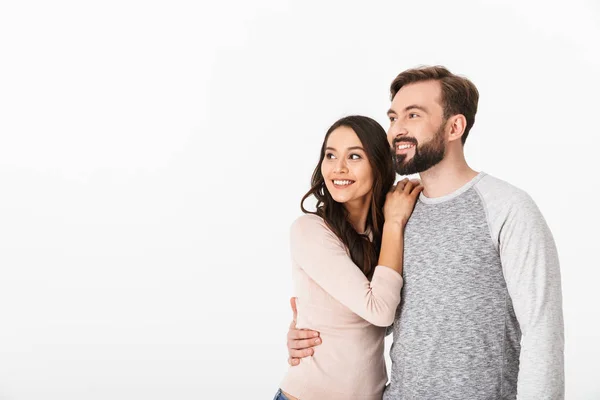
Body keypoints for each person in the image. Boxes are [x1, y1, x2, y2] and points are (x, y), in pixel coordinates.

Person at [286, 66, 565, 400]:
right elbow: (381, 314)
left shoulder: (507, 208)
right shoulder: (396, 214)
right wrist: (307, 330)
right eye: (393, 118)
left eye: (413, 115)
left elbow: (542, 334)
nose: (397, 130)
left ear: (454, 127)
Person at [274, 115, 423, 400]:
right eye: (330, 155)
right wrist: (393, 223)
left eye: (354, 156)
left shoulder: (385, 233)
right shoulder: (310, 230)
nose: (338, 168)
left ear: (379, 164)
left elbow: (393, 319)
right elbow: (379, 310)